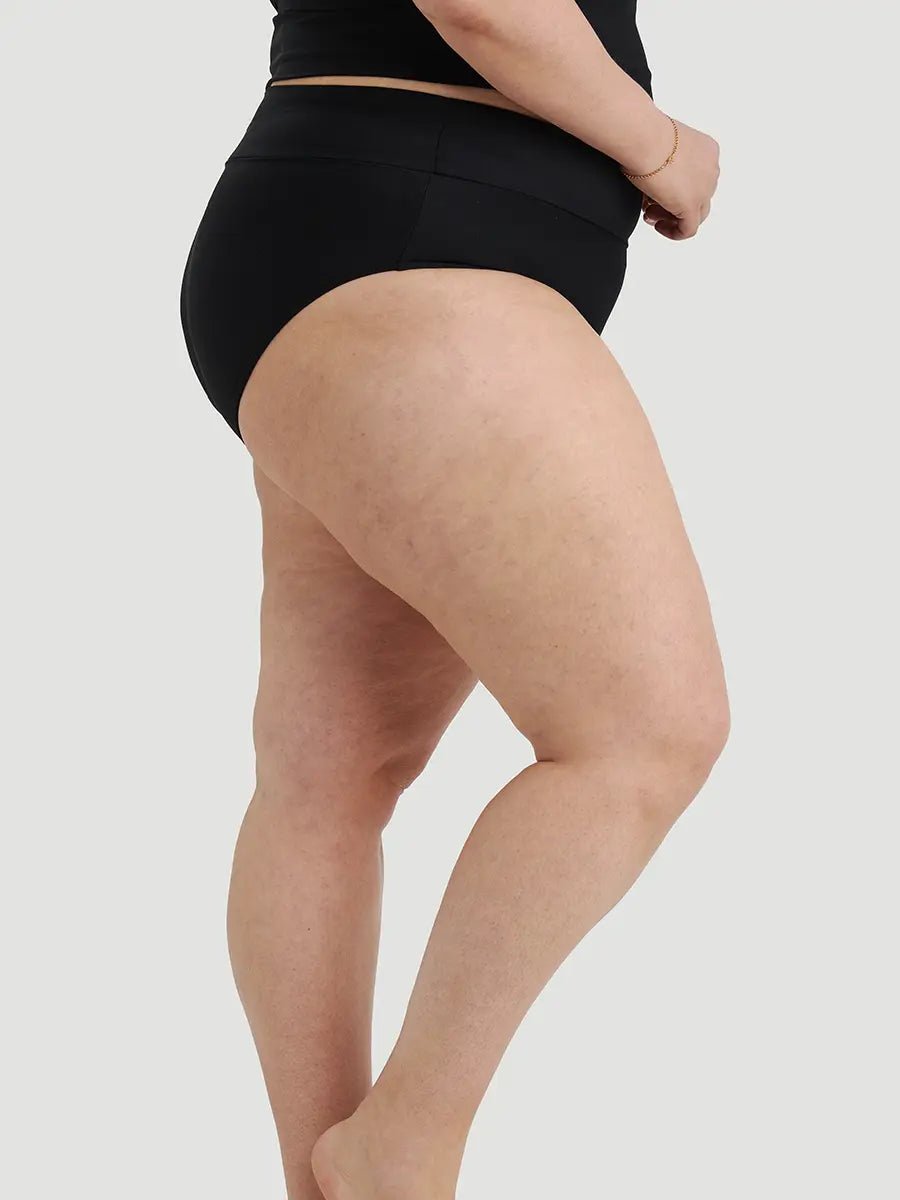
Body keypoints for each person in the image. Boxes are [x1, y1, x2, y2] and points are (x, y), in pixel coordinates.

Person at [179, 1, 727, 1196]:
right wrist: (662, 147)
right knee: (645, 733)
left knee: (332, 776)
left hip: (356, 227)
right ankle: (400, 1153)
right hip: (421, 236)